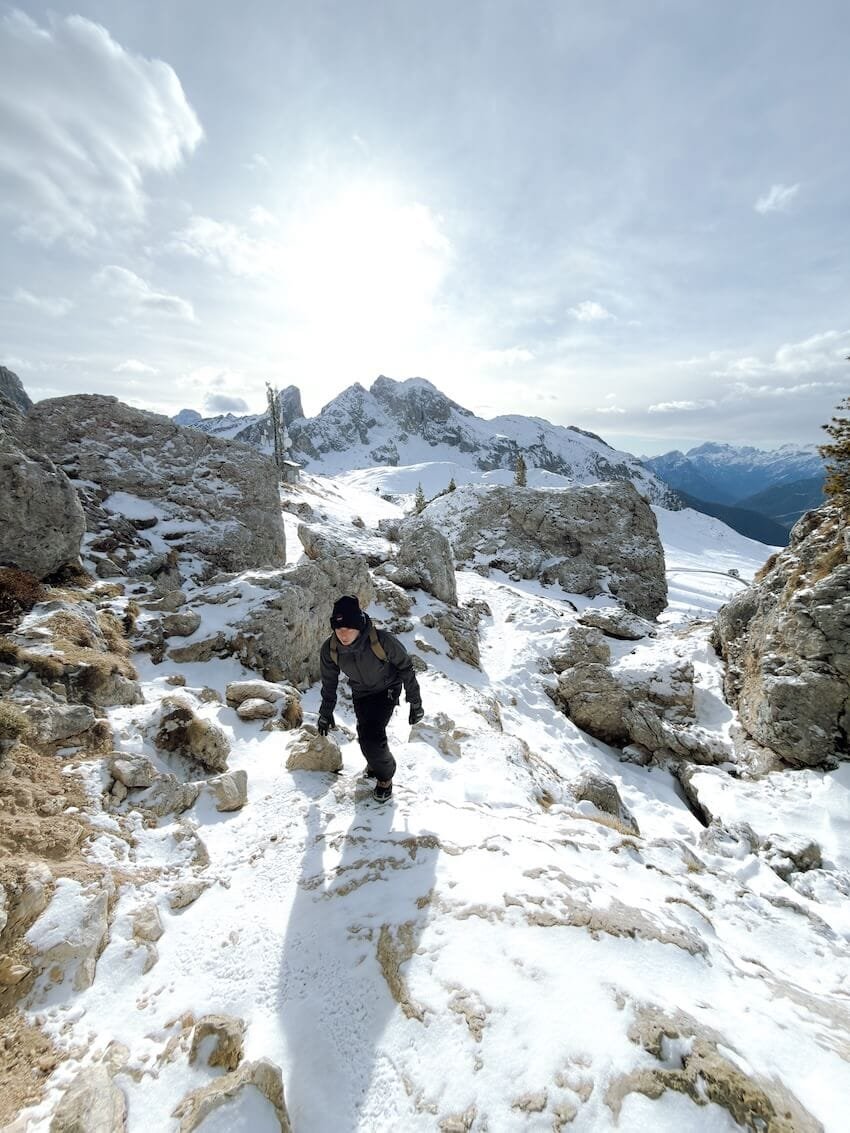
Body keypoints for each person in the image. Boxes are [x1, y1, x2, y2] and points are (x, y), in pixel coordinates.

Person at [318, 595, 424, 802]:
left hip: (387, 689)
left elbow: (406, 667)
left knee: (372, 737)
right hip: (361, 693)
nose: (343, 634)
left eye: (348, 628)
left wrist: (415, 701)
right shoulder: (330, 649)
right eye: (339, 629)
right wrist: (325, 712)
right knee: (364, 734)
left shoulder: (381, 640)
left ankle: (385, 776)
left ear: (358, 625)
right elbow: (329, 682)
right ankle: (376, 763)